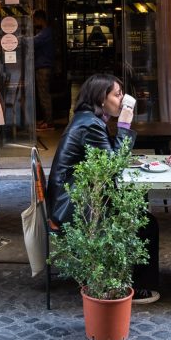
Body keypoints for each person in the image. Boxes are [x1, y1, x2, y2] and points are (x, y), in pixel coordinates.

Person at [45, 73, 161, 304]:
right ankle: (136, 287)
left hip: (75, 198)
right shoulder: (90, 125)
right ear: (101, 99)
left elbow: (108, 163)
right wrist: (125, 124)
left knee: (142, 217)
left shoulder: (88, 119)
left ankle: (127, 279)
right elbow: (113, 167)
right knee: (146, 223)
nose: (122, 99)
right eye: (117, 95)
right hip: (73, 206)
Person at [33, 10, 54, 130]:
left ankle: (49, 122)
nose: (35, 23)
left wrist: (15, 39)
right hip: (44, 66)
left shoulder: (45, 32)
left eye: (35, 20)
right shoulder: (45, 32)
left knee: (44, 95)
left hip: (43, 67)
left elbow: (34, 41)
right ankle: (46, 120)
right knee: (43, 95)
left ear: (40, 19)